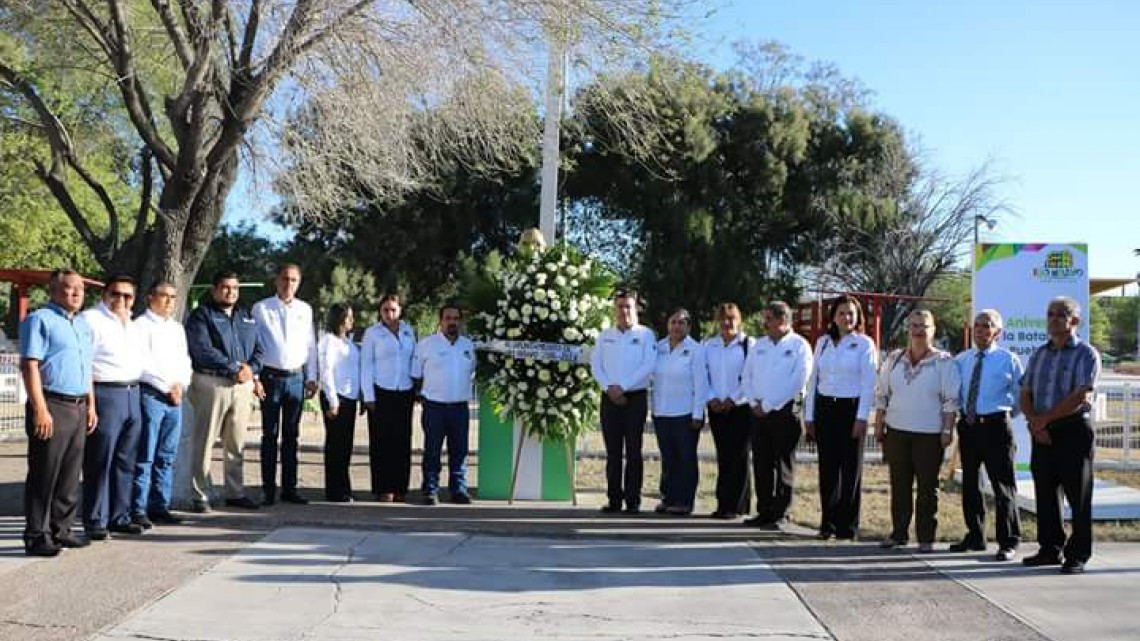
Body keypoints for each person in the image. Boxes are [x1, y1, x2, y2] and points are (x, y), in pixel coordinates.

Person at [1020, 296, 1101, 574]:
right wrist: (1034, 422)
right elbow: (1025, 392)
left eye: (1060, 314)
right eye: (1050, 314)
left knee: (1078, 496)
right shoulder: (1039, 354)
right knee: (1045, 493)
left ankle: (1077, 554)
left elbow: (1080, 395)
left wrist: (1044, 420)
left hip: (1073, 431)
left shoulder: (1086, 354)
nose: (1053, 318)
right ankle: (1049, 549)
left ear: (1074, 321)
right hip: (1041, 432)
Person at [19, 269, 96, 556]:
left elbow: (86, 368)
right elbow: (30, 366)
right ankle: (36, 535)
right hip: (52, 404)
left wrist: (91, 405)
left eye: (80, 289)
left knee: (69, 474)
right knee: (44, 472)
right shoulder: (40, 320)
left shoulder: (83, 326)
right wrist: (39, 408)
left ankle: (61, 529)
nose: (76, 293)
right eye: (68, 288)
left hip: (78, 405)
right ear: (53, 291)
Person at [873, 309, 961, 553]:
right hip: (897, 432)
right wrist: (879, 425)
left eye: (924, 326)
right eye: (914, 326)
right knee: (899, 485)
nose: (918, 330)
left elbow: (950, 401)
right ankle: (898, 534)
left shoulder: (944, 362)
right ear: (907, 330)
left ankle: (925, 538)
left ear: (934, 330)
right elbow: (881, 396)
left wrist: (947, 430)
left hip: (929, 435)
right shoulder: (893, 360)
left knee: (926, 488)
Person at [185, 271, 264, 512]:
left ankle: (235, 492)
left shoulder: (246, 317)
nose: (231, 292)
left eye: (235, 288)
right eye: (225, 287)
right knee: (205, 440)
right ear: (214, 289)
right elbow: (202, 349)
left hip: (242, 387)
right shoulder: (201, 316)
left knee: (236, 442)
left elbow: (259, 350)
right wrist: (233, 369)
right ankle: (200, 493)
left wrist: (251, 370)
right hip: (212, 384)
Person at [950, 309, 1024, 561]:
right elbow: (955, 392)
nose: (980, 330)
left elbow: (1020, 395)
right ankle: (975, 535)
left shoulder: (1009, 360)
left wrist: (1001, 416)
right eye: (977, 325)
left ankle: (1008, 541)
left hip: (996, 428)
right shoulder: (962, 359)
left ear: (998, 332)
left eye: (987, 325)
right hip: (969, 428)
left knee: (1002, 487)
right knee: (970, 484)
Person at [804, 295, 877, 541]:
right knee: (828, 470)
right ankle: (828, 523)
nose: (847, 318)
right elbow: (813, 380)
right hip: (825, 409)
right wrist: (809, 415)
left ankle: (848, 527)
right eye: (842, 313)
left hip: (851, 410)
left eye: (851, 314)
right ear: (833, 317)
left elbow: (868, 384)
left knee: (850, 470)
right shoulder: (823, 343)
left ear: (857, 318)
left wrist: (862, 417)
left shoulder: (864, 344)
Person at [81, 275, 145, 538]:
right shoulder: (92, 320)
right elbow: (86, 364)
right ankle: (96, 519)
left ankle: (120, 515)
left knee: (126, 460)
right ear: (105, 294)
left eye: (127, 296)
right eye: (115, 294)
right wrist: (90, 404)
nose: (121, 300)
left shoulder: (132, 323)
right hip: (106, 392)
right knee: (100, 460)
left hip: (132, 391)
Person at [741, 301, 813, 528]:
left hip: (785, 411)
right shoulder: (759, 345)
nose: (765, 323)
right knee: (762, 462)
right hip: (758, 411)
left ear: (783, 320)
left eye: (769, 318)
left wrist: (771, 404)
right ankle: (764, 510)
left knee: (783, 462)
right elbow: (747, 376)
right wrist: (754, 401)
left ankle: (781, 512)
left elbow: (799, 381)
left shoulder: (800, 345)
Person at [251, 264, 319, 505]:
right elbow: (254, 345)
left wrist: (312, 376)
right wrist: (255, 378)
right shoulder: (261, 308)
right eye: (285, 279)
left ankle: (289, 488)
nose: (289, 284)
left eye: (293, 280)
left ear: (299, 283)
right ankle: (268, 489)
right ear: (276, 281)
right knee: (269, 435)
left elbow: (310, 345)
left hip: (296, 379)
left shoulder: (305, 309)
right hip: (270, 377)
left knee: (292, 435)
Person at [131, 281, 193, 527]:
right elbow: (142, 364)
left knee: (166, 455)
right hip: (152, 394)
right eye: (163, 296)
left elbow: (185, 361)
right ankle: (138, 507)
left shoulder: (177, 329)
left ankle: (160, 505)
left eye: (173, 297)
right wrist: (166, 387)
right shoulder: (140, 326)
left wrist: (180, 385)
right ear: (150, 298)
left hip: (174, 398)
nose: (169, 302)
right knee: (146, 454)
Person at [590, 288, 656, 514]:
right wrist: (608, 388)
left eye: (628, 306)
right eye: (620, 306)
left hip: (634, 398)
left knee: (634, 451)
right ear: (614, 308)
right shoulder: (605, 335)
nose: (623, 311)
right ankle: (614, 499)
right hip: (609, 398)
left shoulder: (646, 335)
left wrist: (623, 386)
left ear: (636, 308)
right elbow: (596, 366)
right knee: (613, 453)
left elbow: (648, 365)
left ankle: (633, 500)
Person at [412, 304, 476, 505]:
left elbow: (473, 371)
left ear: (460, 321)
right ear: (440, 321)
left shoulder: (468, 346)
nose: (452, 322)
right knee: (432, 450)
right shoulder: (426, 344)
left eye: (456, 318)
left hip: (459, 407)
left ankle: (458, 489)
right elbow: (416, 375)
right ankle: (430, 490)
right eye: (448, 318)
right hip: (434, 407)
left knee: (460, 451)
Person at [360, 294, 417, 502]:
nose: (389, 314)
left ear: (400, 310)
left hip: (405, 391)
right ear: (380, 311)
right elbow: (366, 364)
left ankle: (400, 487)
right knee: (381, 442)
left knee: (402, 440)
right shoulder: (372, 333)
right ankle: (383, 488)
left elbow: (415, 360)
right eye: (385, 310)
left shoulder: (409, 331)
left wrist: (418, 386)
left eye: (393, 310)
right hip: (380, 392)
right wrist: (368, 396)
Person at [651, 309, 707, 516]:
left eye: (681, 323)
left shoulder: (696, 350)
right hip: (661, 411)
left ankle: (684, 501)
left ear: (689, 327)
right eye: (673, 322)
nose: (676, 327)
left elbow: (701, 384)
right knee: (668, 458)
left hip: (685, 413)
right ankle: (668, 498)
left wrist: (698, 413)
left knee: (685, 459)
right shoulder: (659, 347)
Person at [703, 302, 754, 519]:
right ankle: (723, 503)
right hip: (716, 408)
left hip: (740, 408)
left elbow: (751, 376)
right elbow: (703, 374)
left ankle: (738, 505)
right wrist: (711, 397)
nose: (727, 322)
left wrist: (733, 399)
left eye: (731, 318)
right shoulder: (709, 346)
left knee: (739, 456)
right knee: (723, 456)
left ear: (739, 320)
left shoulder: (749, 345)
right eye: (723, 318)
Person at [318, 303, 361, 502]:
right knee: (336, 446)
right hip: (335, 397)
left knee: (345, 446)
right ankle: (335, 490)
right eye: (347, 317)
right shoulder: (329, 341)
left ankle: (344, 487)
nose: (351, 321)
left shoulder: (348, 343)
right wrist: (332, 400)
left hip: (350, 398)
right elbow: (326, 372)